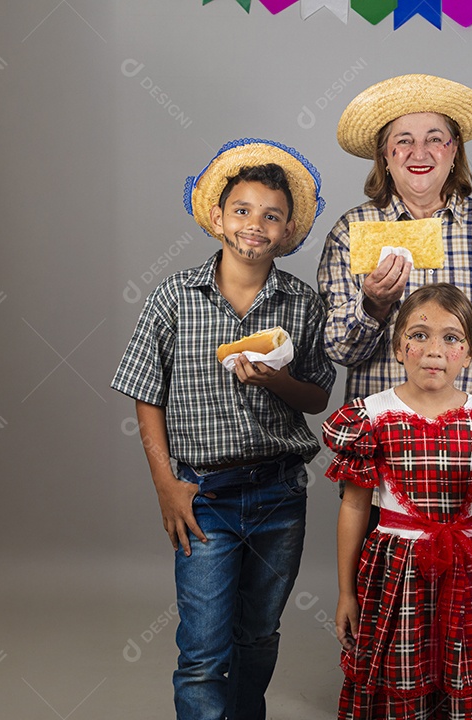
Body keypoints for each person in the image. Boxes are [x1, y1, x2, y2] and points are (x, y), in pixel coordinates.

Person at [111, 138, 335, 720]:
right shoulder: (174, 299)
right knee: (204, 651)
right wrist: (166, 483)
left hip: (279, 495)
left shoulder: (302, 305)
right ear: (217, 216)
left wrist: (272, 380)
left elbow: (316, 396)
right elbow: (145, 393)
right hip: (203, 494)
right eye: (242, 210)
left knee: (259, 635)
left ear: (287, 232)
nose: (254, 225)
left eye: (271, 215)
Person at [324, 283, 472, 720]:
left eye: (451, 337)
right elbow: (354, 508)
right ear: (398, 346)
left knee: (466, 660)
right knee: (401, 664)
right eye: (419, 334)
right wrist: (346, 593)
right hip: (397, 566)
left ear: (468, 352)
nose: (434, 349)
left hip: (468, 565)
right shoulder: (369, 417)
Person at [318, 73, 472, 405]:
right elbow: (339, 350)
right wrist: (373, 305)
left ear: (454, 153)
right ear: (384, 156)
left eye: (435, 139)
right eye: (404, 140)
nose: (419, 152)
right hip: (382, 442)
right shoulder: (350, 231)